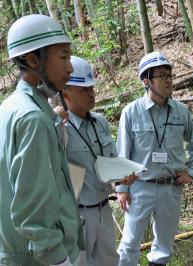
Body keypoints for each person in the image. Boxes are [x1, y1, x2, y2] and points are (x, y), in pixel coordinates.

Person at [0, 14, 84, 266]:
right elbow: (32, 210)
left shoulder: (10, 107)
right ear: (33, 59)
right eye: (63, 57)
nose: (70, 67)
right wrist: (59, 260)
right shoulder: (33, 118)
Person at [116, 51, 193, 266]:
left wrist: (191, 172)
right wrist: (121, 189)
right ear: (146, 81)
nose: (168, 81)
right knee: (129, 244)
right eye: (162, 76)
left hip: (170, 188)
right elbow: (122, 153)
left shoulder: (181, 111)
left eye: (170, 76)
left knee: (164, 245)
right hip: (140, 187)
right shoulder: (131, 112)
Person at [61, 56, 137, 266]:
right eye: (84, 89)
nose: (91, 93)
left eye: (91, 88)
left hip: (104, 208)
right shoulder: (59, 127)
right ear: (65, 92)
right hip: (78, 214)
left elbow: (113, 160)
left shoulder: (99, 122)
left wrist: (124, 178)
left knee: (109, 261)